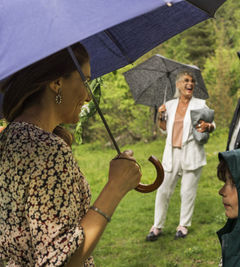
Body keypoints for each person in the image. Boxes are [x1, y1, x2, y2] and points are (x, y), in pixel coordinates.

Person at [0, 43, 142, 266]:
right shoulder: (47, 150)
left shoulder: (10, 138)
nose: (88, 96)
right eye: (85, 80)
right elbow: (62, 261)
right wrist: (116, 186)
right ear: (57, 83)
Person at [146, 70, 215, 241]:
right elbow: (163, 128)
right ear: (178, 85)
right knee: (162, 190)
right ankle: (157, 226)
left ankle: (183, 226)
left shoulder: (200, 104)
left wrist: (208, 126)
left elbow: (212, 124)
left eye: (191, 81)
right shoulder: (169, 105)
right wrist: (161, 115)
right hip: (171, 153)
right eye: (185, 80)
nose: (189, 84)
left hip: (191, 152)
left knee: (187, 192)